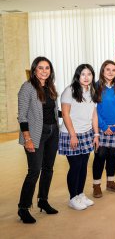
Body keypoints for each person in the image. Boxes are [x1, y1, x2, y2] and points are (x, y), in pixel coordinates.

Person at [17, 57, 59, 224]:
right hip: (35, 134)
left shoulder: (50, 86)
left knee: (48, 168)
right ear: (34, 70)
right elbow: (22, 116)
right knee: (34, 170)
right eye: (40, 68)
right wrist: (27, 138)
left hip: (52, 132)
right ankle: (23, 207)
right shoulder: (27, 88)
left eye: (47, 68)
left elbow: (52, 111)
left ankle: (43, 200)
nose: (44, 71)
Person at [59, 64, 99, 210]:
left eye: (89, 74)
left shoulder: (92, 91)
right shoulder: (69, 91)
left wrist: (96, 134)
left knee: (83, 166)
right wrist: (73, 135)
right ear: (78, 76)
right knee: (75, 166)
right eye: (83, 74)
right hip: (71, 134)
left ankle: (80, 194)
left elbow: (94, 114)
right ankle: (73, 198)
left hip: (87, 133)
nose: (86, 77)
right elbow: (65, 114)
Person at [92, 60, 115, 197]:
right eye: (107, 69)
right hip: (101, 128)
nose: (111, 72)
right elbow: (94, 109)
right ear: (102, 71)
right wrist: (103, 126)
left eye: (113, 70)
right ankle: (96, 184)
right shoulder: (95, 87)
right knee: (100, 156)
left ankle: (110, 182)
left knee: (113, 155)